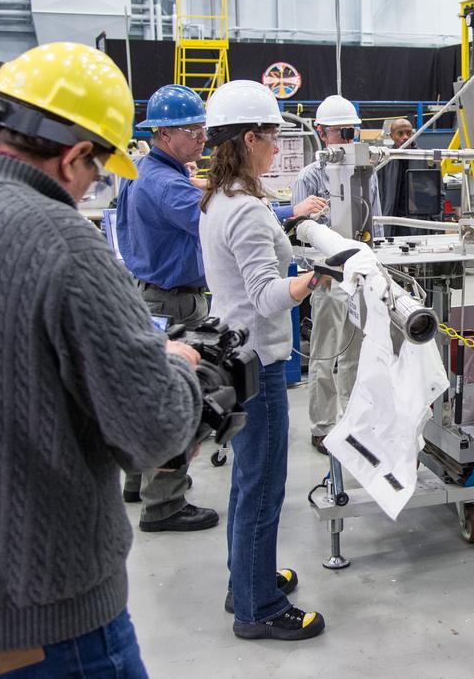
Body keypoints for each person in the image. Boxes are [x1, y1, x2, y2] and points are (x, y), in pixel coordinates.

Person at [0, 43, 203, 676]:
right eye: (97, 170)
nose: (92, 187)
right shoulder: (62, 241)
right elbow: (155, 431)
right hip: (37, 629)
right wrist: (179, 368)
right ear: (74, 156)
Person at [198, 79, 327, 642]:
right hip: (260, 363)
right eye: (272, 138)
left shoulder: (219, 200)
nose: (278, 149)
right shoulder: (247, 212)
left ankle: (244, 579)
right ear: (250, 139)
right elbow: (266, 295)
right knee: (264, 486)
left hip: (234, 354)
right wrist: (316, 277)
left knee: (248, 481)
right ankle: (258, 607)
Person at [116, 83, 219, 532]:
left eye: (201, 129)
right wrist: (286, 211)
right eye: (191, 130)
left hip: (149, 294)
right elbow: (217, 225)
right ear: (162, 134)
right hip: (176, 302)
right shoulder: (166, 184)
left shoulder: (142, 171)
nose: (201, 137)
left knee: (145, 394)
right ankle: (165, 505)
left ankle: (138, 482)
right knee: (177, 401)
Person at [293, 94, 383, 454]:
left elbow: (373, 224)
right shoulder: (309, 177)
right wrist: (321, 273)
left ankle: (352, 420)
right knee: (324, 354)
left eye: (352, 132)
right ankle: (322, 425)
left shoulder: (365, 173)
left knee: (355, 356)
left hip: (358, 278)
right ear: (321, 134)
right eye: (341, 132)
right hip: (328, 280)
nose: (348, 140)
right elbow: (300, 234)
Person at [377, 117, 418, 238]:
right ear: (391, 136)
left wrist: (435, 221)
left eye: (409, 133)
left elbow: (438, 196)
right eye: (400, 133)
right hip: (392, 222)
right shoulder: (384, 162)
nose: (405, 137)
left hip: (417, 223)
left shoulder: (426, 159)